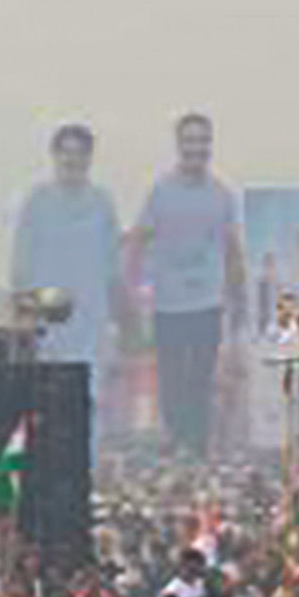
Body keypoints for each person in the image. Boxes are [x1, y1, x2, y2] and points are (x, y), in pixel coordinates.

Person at [122, 114, 241, 453]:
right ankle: (177, 439)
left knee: (201, 379)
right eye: (190, 141)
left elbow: (233, 251)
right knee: (173, 380)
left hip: (208, 302)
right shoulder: (161, 192)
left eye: (202, 141)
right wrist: (131, 289)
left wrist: (239, 298)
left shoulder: (221, 195)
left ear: (210, 146)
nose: (196, 149)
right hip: (168, 304)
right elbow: (136, 241)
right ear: (179, 146)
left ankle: (197, 447)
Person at [7, 124, 120, 382]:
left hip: (90, 318)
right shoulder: (37, 201)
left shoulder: (102, 203)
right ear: (54, 156)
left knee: (87, 391)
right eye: (66, 152)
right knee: (45, 391)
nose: (72, 159)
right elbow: (21, 265)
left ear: (89, 159)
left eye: (79, 153)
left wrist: (114, 323)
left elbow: (113, 267)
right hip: (46, 319)